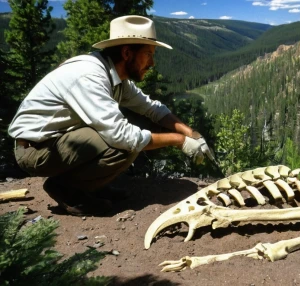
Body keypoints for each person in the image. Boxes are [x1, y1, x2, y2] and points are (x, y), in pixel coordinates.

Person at [8, 15, 211, 216]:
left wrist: (191, 133)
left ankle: (89, 186)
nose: (152, 63)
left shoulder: (116, 77)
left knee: (134, 130)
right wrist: (180, 141)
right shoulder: (89, 75)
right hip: (35, 149)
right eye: (148, 54)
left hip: (57, 140)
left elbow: (151, 108)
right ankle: (66, 189)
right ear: (126, 53)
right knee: (124, 143)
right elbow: (123, 137)